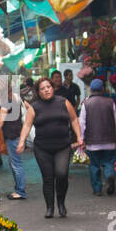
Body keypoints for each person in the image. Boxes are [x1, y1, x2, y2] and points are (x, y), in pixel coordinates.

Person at [17, 76, 83, 218]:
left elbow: (74, 119)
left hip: (62, 146)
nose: (46, 90)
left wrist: (79, 136)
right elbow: (27, 125)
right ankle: (50, 207)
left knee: (61, 174)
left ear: (52, 88)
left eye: (48, 87)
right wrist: (22, 141)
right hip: (42, 148)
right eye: (43, 88)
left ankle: (61, 203)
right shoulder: (34, 107)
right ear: (38, 92)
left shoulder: (63, 102)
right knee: (48, 178)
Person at [80, 79, 116, 196]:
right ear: (103, 89)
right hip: (109, 140)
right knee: (108, 162)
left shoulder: (86, 103)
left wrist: (81, 138)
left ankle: (97, 189)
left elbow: (82, 122)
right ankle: (109, 175)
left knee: (94, 165)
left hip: (92, 142)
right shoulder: (110, 102)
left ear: (91, 89)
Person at [0, 82, 27, 199]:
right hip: (17, 133)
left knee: (16, 164)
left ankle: (20, 191)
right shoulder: (16, 98)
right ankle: (19, 189)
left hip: (12, 135)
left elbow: (0, 122)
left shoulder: (7, 101)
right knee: (15, 163)